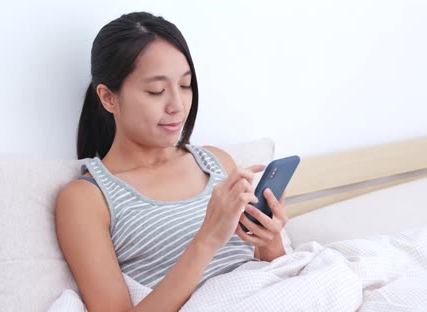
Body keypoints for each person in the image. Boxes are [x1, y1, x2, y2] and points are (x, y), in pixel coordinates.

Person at [55, 12, 289, 312]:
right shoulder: (86, 200)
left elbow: (274, 277)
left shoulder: (216, 161)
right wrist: (207, 239)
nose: (178, 106)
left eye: (186, 85)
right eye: (156, 91)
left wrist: (270, 242)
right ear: (108, 98)